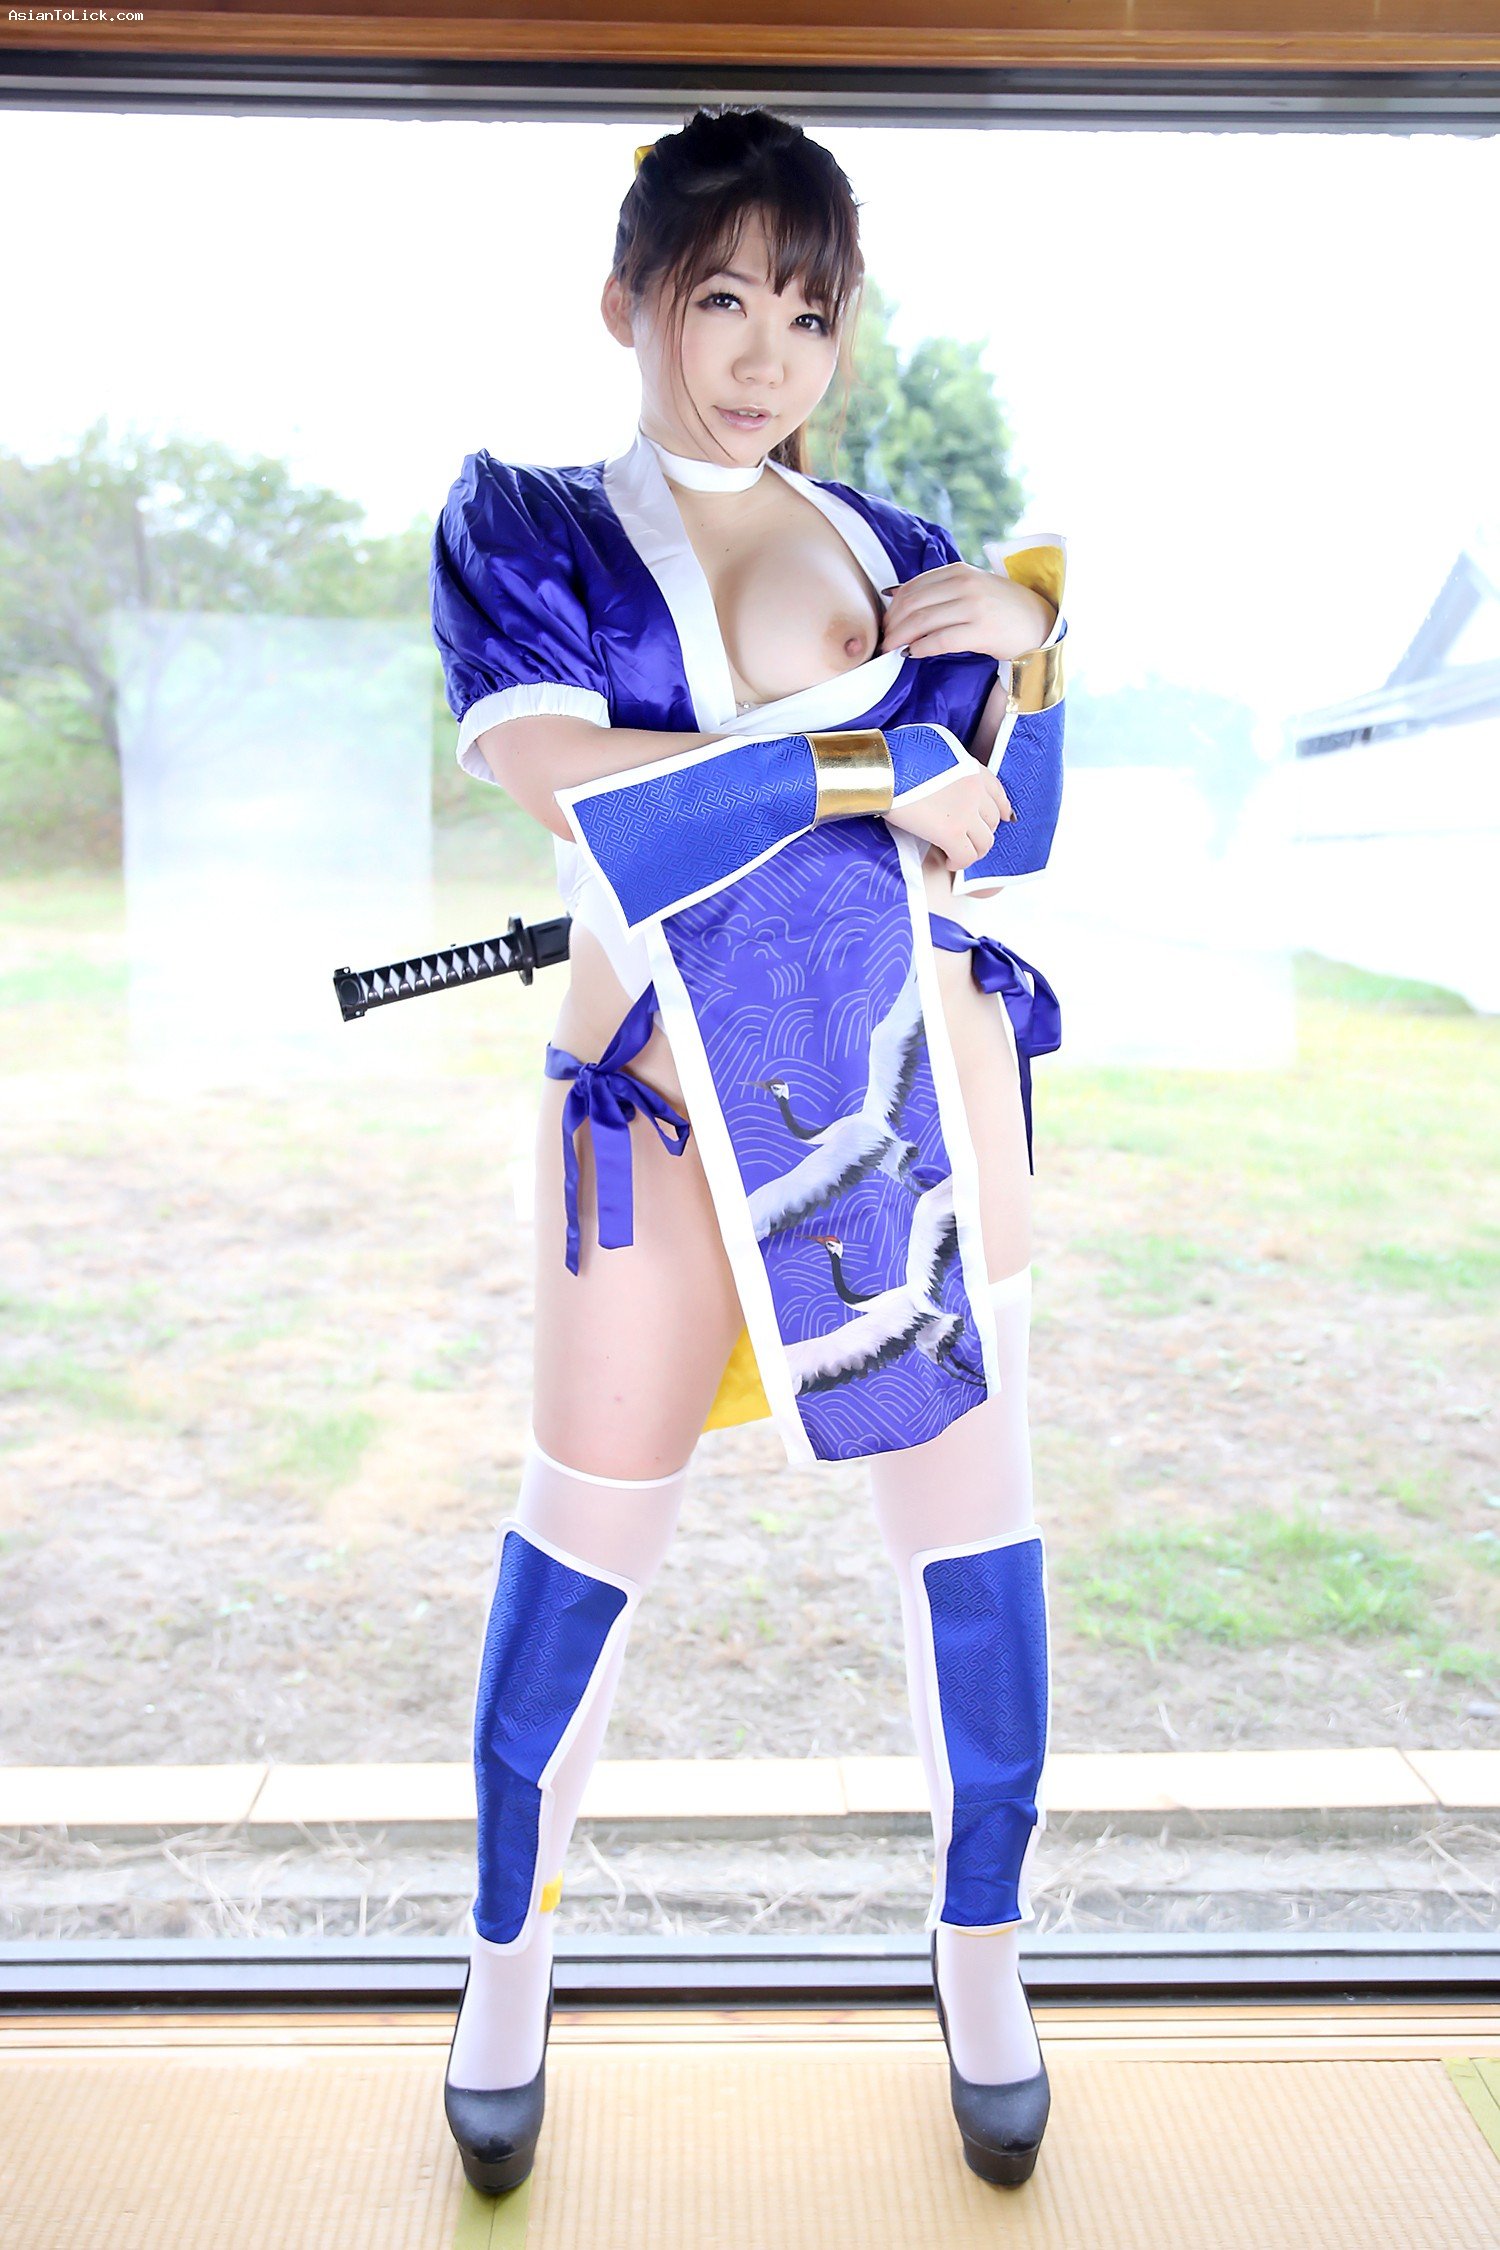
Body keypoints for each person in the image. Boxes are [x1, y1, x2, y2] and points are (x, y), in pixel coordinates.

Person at [428, 103, 1068, 2196]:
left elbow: (1005, 829)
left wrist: (1023, 656)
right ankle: (504, 1965)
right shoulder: (525, 523)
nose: (765, 353)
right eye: (722, 297)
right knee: (584, 1534)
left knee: (970, 1539)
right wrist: (865, 761)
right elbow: (569, 780)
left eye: (809, 311)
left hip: (896, 1081)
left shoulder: (902, 543)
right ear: (629, 299)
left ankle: (984, 1960)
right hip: (646, 1090)